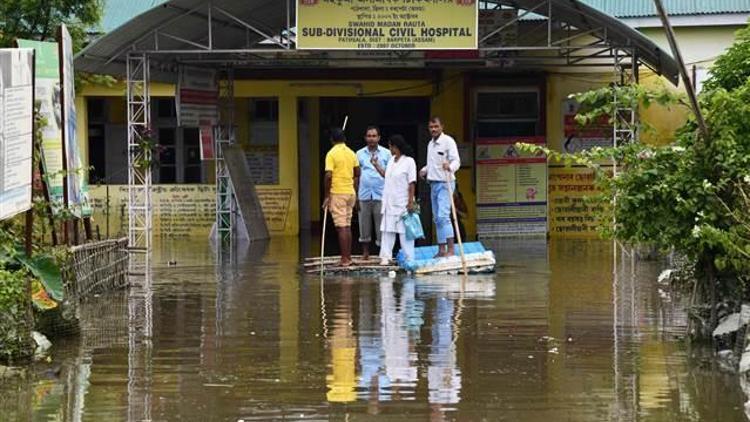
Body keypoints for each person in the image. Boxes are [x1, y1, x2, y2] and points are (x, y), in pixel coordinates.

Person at [372, 134, 417, 265]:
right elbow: (386, 175)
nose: (389, 148)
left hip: (402, 203)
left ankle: (409, 259)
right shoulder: (391, 160)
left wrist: (410, 202)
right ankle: (385, 258)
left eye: (390, 146)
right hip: (389, 202)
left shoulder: (409, 161)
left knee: (405, 233)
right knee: (387, 231)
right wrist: (376, 165)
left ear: (395, 146)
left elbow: (412, 183)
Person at [419, 117, 460, 258]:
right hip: (433, 183)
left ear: (442, 126)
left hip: (445, 182)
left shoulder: (448, 141)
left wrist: (450, 166)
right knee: (437, 218)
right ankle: (441, 250)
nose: (433, 129)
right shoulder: (430, 144)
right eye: (431, 127)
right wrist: (424, 170)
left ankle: (451, 250)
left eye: (436, 126)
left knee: (443, 216)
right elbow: (432, 164)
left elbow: (456, 161)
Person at [323, 127, 360, 267]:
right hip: (350, 192)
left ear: (332, 139)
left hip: (338, 193)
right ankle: (348, 257)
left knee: (341, 227)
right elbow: (358, 172)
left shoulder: (331, 153)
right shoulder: (352, 153)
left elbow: (328, 176)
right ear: (344, 139)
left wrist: (326, 196)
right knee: (347, 225)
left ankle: (345, 259)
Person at [356, 126, 391, 260]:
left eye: (374, 136)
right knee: (364, 225)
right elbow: (356, 176)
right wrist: (356, 195)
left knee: (381, 225)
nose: (371, 138)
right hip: (364, 194)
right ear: (365, 138)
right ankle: (365, 253)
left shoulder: (386, 153)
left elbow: (390, 174)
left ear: (379, 138)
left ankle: (382, 254)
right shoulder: (359, 154)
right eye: (369, 136)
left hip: (381, 194)